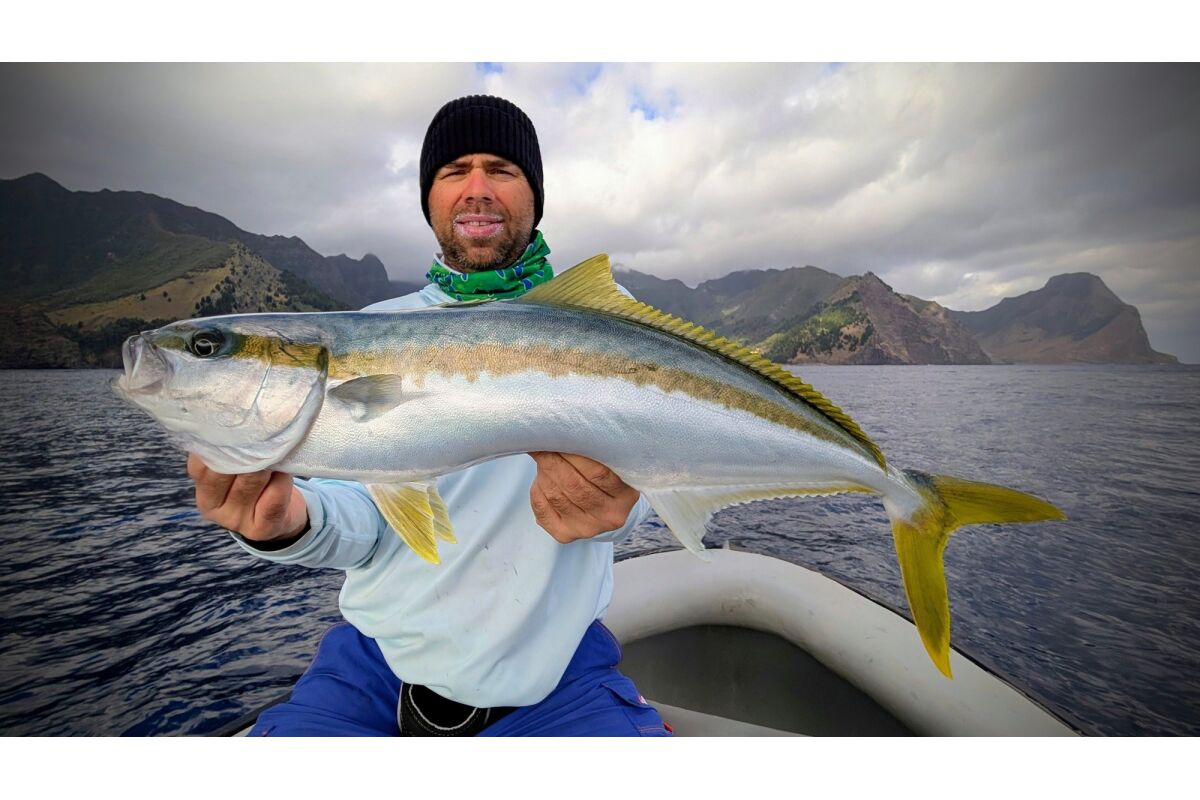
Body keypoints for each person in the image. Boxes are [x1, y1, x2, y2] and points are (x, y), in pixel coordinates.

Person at [186, 94, 670, 737]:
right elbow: (364, 522)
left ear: (534, 194)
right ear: (430, 198)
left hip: (558, 672)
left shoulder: (600, 321)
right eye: (454, 171)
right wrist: (286, 524)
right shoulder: (374, 328)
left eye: (501, 169)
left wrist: (620, 505)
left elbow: (667, 457)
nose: (477, 188)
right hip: (375, 668)